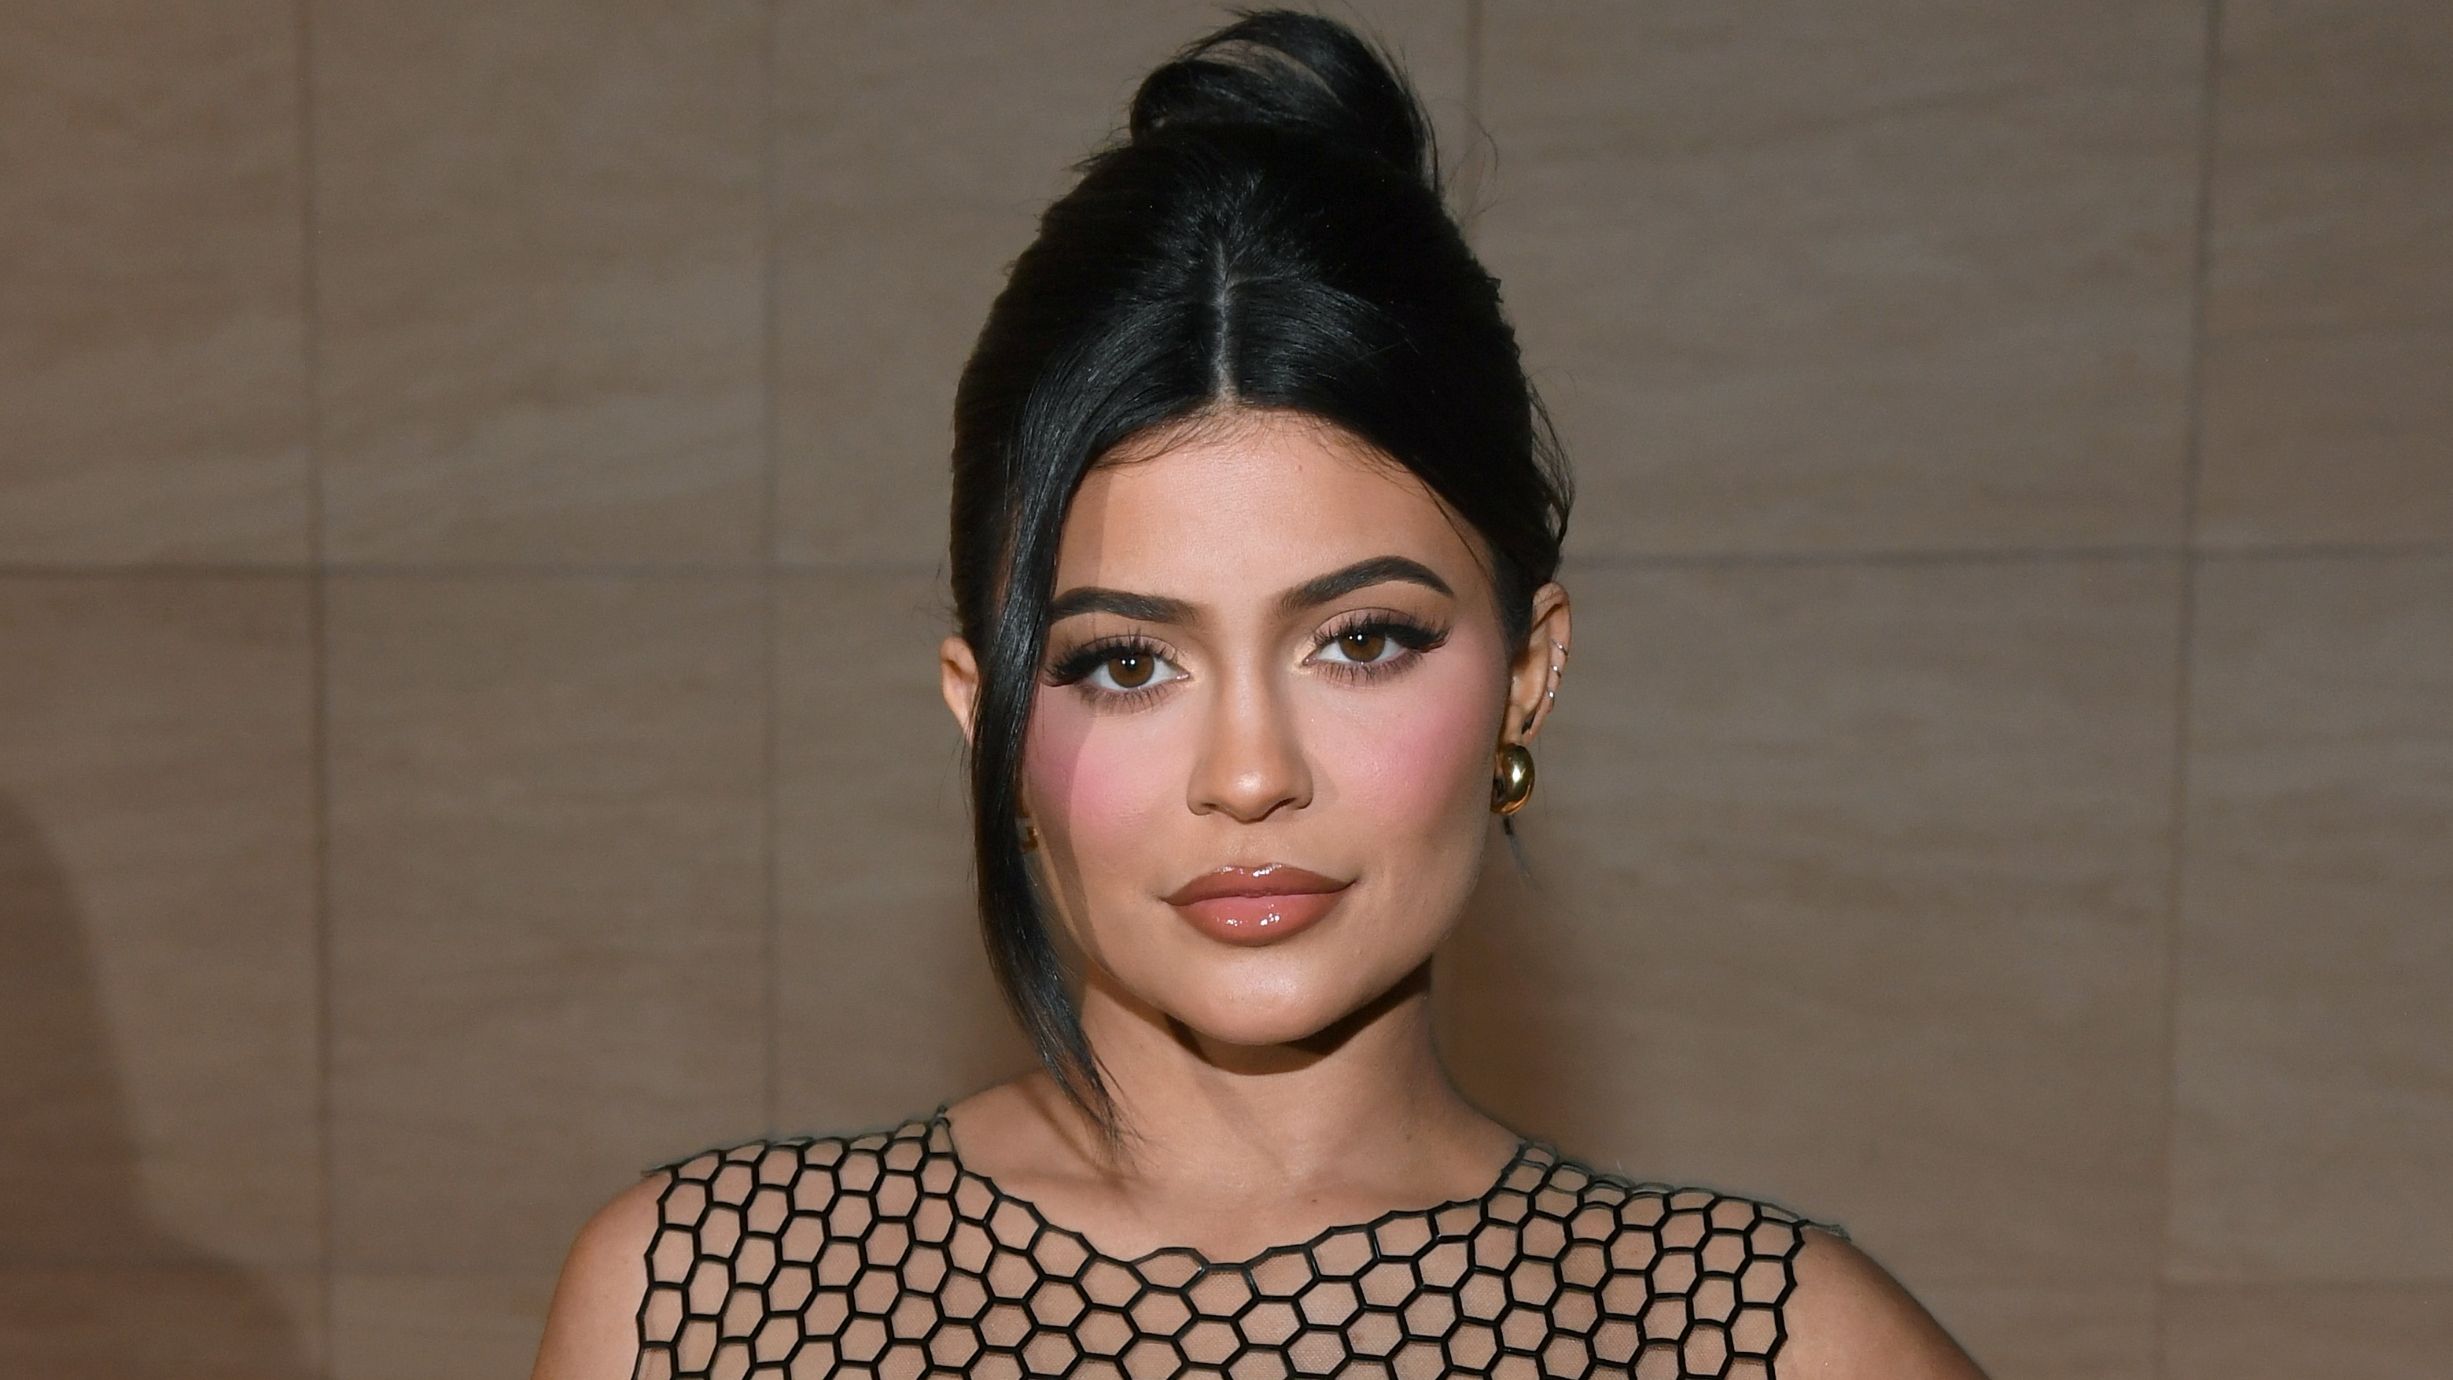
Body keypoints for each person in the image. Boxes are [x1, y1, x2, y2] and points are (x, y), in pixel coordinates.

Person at [531, 9, 1985, 1378]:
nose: (1247, 773)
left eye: (1360, 640)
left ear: (1527, 676)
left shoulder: (1776, 1346)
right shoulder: (699, 1305)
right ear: (988, 718)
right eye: (1125, 662)